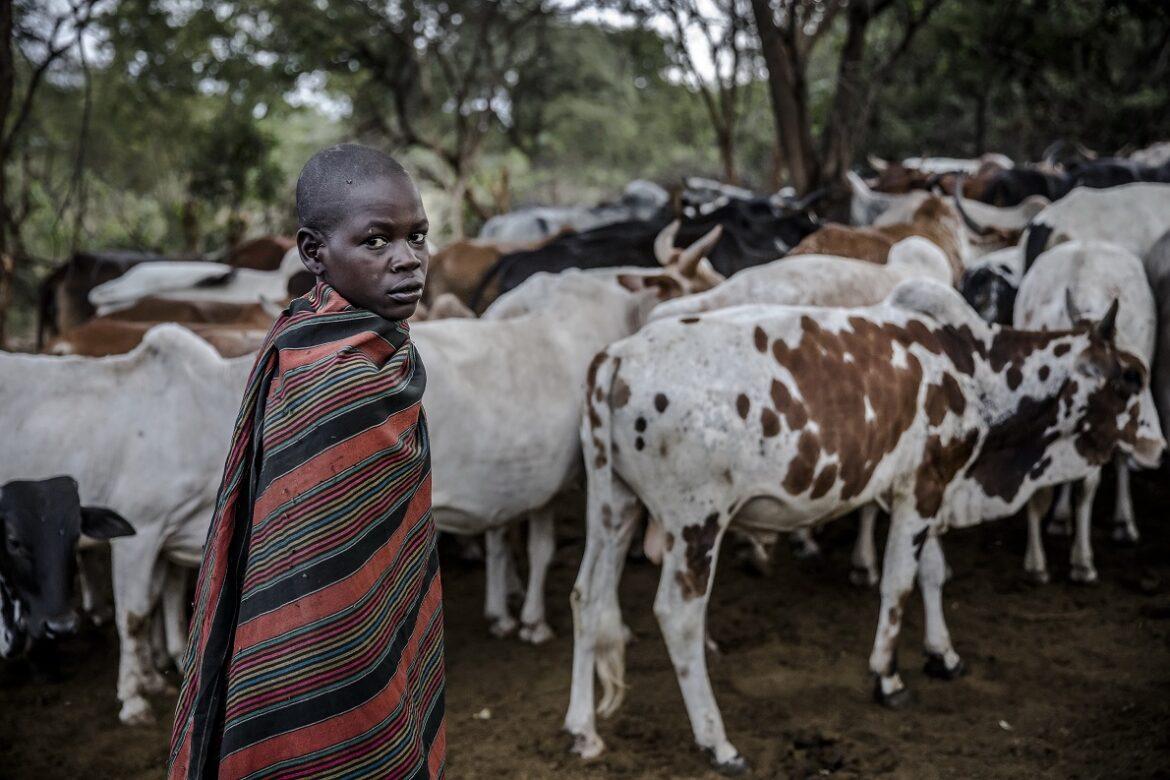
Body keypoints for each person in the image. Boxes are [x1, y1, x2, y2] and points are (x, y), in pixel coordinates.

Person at [169, 144, 445, 779]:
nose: (408, 259)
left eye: (417, 236)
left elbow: (384, 552)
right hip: (309, 640)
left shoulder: (368, 350)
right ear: (314, 253)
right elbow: (303, 558)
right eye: (376, 241)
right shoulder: (330, 374)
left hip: (369, 623)